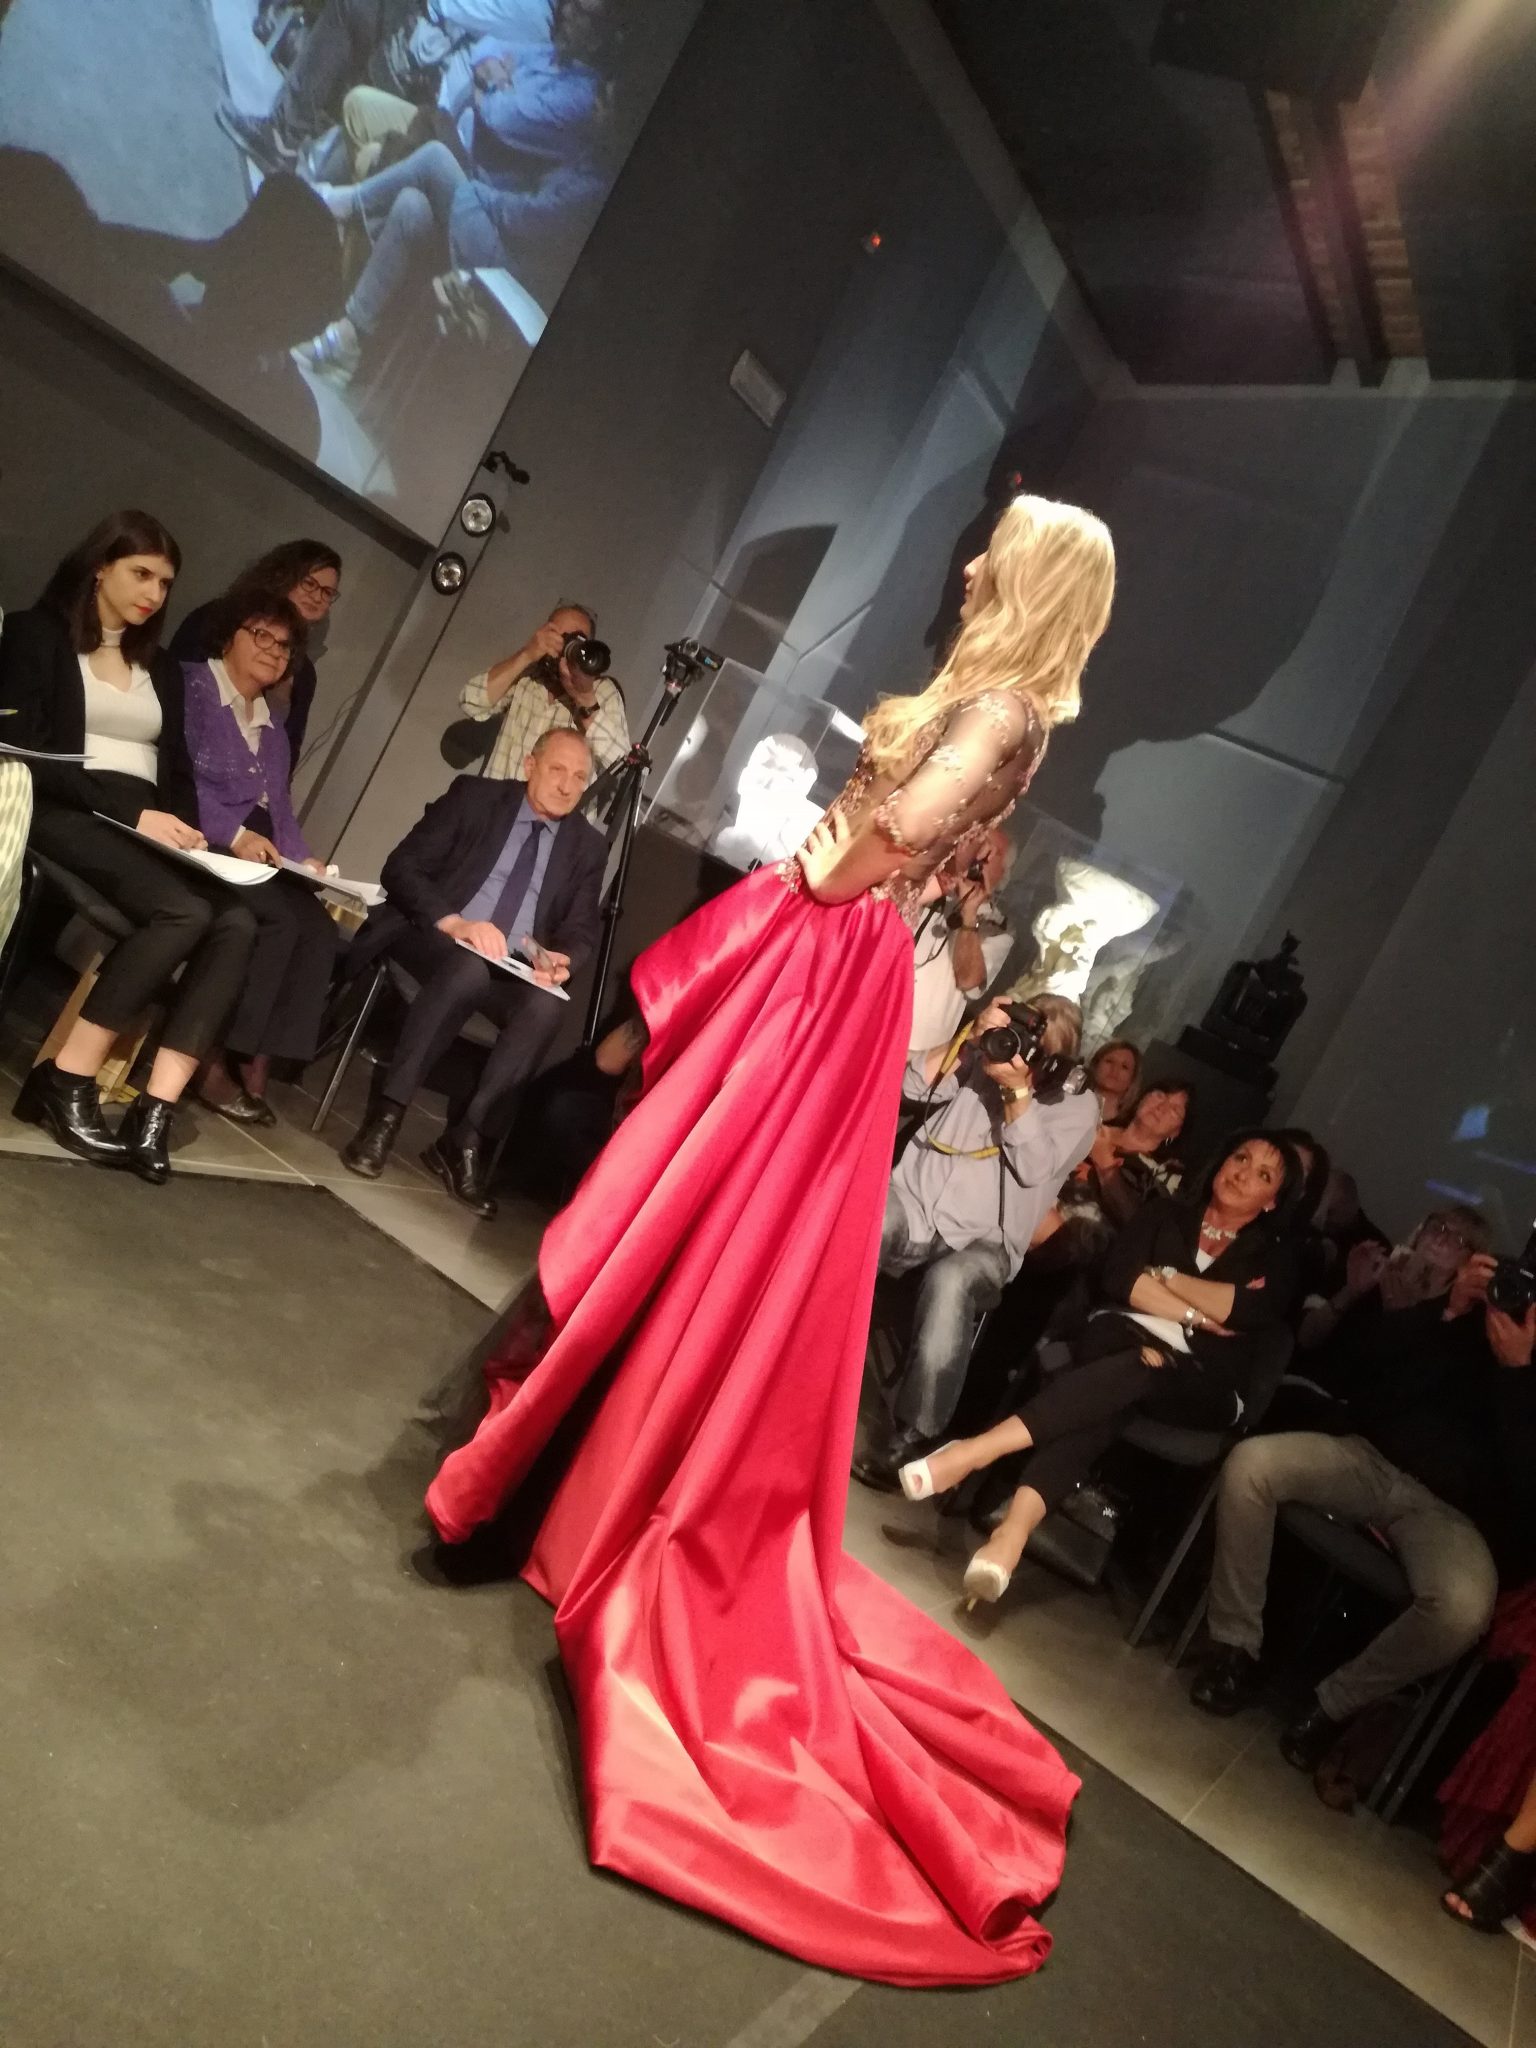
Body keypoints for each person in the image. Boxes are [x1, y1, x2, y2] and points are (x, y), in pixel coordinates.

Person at [421, 494, 1116, 1985]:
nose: (971, 561)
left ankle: (579, 1495)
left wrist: (812, 862)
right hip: (827, 964)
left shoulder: (1000, 710)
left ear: (1032, 579)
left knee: (704, 1210)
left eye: (996, 549)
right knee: (688, 1211)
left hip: (827, 962)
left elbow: (882, 849)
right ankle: (564, 1478)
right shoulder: (994, 701)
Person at [1188, 1219, 1533, 1773]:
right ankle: (1233, 1650)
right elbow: (1373, 1373)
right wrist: (1449, 1312)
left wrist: (1518, 1372)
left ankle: (1331, 1708)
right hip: (1371, 1459)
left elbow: (1526, 1485)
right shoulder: (1470, 1314)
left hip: (1454, 1516)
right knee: (1254, 1466)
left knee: (1462, 1608)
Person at [903, 1133, 1302, 1607]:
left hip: (1203, 1377)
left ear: (1272, 1200)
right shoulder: (1165, 1212)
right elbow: (1121, 1280)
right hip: (1124, 1339)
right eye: (1240, 1157)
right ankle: (1009, 1538)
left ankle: (975, 1454)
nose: (1243, 1173)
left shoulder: (1275, 1257)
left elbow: (1243, 1311)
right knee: (1123, 1378)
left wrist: (1163, 1277)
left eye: (1262, 1174)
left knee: (1123, 1373)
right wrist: (1197, 1313)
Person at [0, 513, 262, 1182]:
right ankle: (68, 1079)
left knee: (236, 920)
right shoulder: (36, 634)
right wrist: (132, 814)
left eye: (165, 583)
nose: (154, 593)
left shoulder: (160, 666)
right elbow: (21, 746)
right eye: (141, 574)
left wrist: (186, 831)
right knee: (183, 912)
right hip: (66, 807)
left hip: (143, 819)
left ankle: (154, 1110)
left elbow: (173, 769)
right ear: (99, 567)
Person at [341, 727, 606, 1212]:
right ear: (530, 766)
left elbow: (583, 928)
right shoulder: (476, 798)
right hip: (437, 938)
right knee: (467, 970)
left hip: (511, 965)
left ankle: (465, 1138)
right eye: (557, 770)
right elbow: (402, 867)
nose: (567, 786)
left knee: (546, 1009)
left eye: (579, 777)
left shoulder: (586, 846)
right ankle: (387, 1113)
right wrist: (456, 922)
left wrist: (564, 958)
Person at [857, 994, 1098, 1487]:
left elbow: (1034, 1167)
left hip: (985, 1242)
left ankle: (912, 1436)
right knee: (869, 1218)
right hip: (916, 1205)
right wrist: (969, 1037)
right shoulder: (984, 1052)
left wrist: (1017, 1092)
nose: (1020, 1051)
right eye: (1019, 1037)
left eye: (1036, 1048)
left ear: (1060, 1059)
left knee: (952, 1281)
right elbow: (910, 1083)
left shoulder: (1079, 1104)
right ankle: (794, 1350)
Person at [180, 594, 342, 1124]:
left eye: (285, 645)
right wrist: (231, 834)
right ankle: (210, 1053)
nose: (274, 651)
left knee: (318, 929)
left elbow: (282, 811)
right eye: (262, 636)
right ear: (230, 634)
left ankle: (257, 1055)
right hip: (201, 833)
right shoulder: (192, 687)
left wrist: (304, 859)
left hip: (257, 847)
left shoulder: (273, 727)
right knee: (276, 920)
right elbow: (178, 780)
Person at [171, 540, 343, 775]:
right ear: (283, 575)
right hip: (187, 766)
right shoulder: (219, 617)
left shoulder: (305, 674)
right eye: (309, 583)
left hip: (255, 784)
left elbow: (289, 749)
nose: (317, 597)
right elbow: (175, 689)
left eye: (327, 592)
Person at [455, 600, 627, 777]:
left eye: (578, 641)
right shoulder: (527, 676)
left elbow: (622, 767)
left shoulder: (601, 691)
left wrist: (584, 698)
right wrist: (526, 654)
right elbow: (470, 701)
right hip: (499, 794)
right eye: (560, 637)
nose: (568, 646)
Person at [906, 826, 1014, 1053]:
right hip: (873, 1018)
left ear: (1003, 872)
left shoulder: (997, 929)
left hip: (917, 1046)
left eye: (990, 854)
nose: (979, 858)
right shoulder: (931, 890)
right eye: (977, 846)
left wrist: (969, 914)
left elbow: (969, 982)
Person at [1086, 1037, 1140, 1122]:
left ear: (1132, 1079)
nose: (1115, 1069)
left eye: (1124, 1067)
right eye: (1109, 1061)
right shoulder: (1068, 1100)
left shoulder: (1126, 1126)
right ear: (1096, 1065)